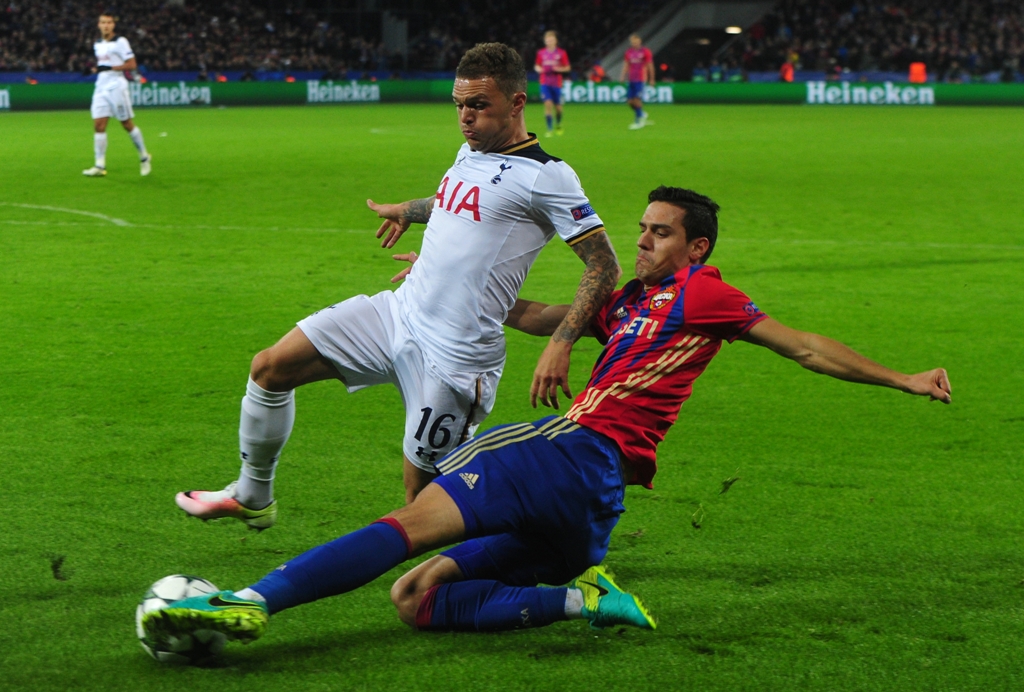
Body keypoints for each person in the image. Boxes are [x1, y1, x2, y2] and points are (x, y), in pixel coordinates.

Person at [143, 186, 951, 648]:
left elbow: (804, 346)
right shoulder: (632, 304)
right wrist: (451, 286)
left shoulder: (704, 295)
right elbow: (538, 315)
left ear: (698, 248)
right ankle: (584, 597)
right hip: (593, 508)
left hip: (568, 453)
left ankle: (251, 601)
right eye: (642, 229)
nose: (643, 242)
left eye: (661, 233)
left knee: (411, 522)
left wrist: (906, 379)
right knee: (416, 599)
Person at [174, 42, 620, 529]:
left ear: (516, 103)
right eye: (459, 105)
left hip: (455, 357)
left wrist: (561, 343)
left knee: (422, 505)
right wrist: (409, 211)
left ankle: (539, 548)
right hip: (399, 312)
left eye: (477, 105)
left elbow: (603, 264)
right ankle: (253, 494)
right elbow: (453, 200)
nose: (465, 118)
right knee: (270, 367)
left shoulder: (548, 177)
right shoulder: (471, 151)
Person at [82, 13, 152, 178]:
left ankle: (144, 157)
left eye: (109, 22)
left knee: (126, 124)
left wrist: (110, 68)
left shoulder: (120, 42)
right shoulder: (97, 44)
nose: (106, 25)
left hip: (117, 87)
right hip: (101, 87)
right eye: (103, 22)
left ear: (113, 25)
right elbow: (103, 65)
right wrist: (95, 69)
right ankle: (99, 165)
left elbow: (132, 64)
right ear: (99, 25)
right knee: (99, 125)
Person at [534, 30, 570, 137]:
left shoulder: (561, 53)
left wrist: (558, 69)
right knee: (548, 104)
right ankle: (549, 129)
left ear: (555, 41)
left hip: (556, 83)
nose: (549, 42)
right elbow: (537, 65)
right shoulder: (541, 53)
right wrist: (539, 69)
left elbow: (567, 67)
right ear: (545, 41)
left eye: (551, 40)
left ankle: (558, 124)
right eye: (547, 40)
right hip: (545, 82)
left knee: (558, 108)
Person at [620, 34, 654, 130]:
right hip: (631, 79)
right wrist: (622, 76)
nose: (635, 44)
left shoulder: (645, 52)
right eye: (633, 42)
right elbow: (626, 65)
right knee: (630, 102)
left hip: (640, 79)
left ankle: (638, 122)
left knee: (636, 100)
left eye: (636, 42)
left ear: (640, 42)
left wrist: (652, 78)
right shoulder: (628, 52)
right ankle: (641, 113)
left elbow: (650, 66)